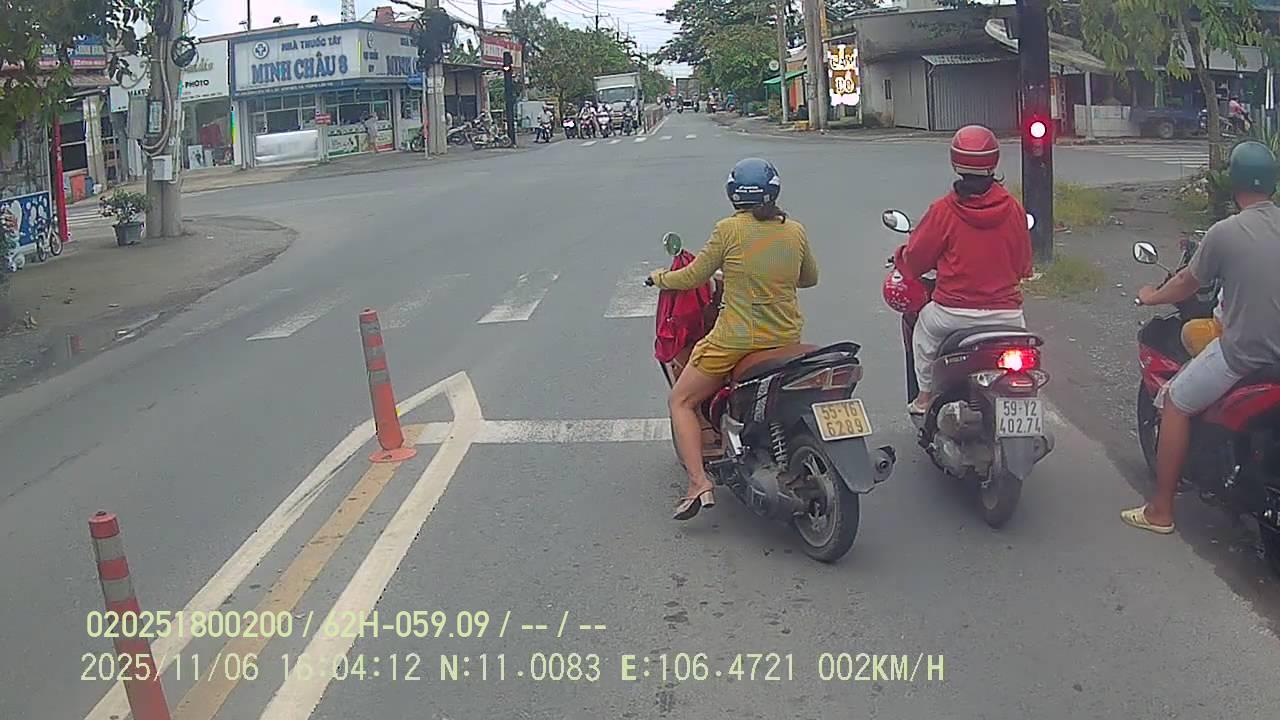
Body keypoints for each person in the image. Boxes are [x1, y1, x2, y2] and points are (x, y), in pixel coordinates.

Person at [647, 158, 818, 520]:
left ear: (733, 194)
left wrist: (660, 277)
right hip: (786, 338)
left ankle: (699, 483)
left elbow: (692, 276)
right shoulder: (795, 231)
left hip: (736, 341)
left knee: (681, 401)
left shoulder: (728, 230)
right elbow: (808, 278)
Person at [1124, 140, 1280, 534]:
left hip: (1246, 354)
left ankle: (1160, 511)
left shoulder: (1225, 232)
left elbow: (1186, 282)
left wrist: (1150, 296)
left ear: (1234, 182)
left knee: (1175, 401)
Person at [894, 124, 1033, 415]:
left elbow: (916, 260)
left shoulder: (943, 211)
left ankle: (925, 396)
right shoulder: (1014, 209)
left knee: (923, 332)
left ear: (955, 162)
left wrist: (900, 258)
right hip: (1008, 315)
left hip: (953, 313)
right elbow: (1023, 266)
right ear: (994, 161)